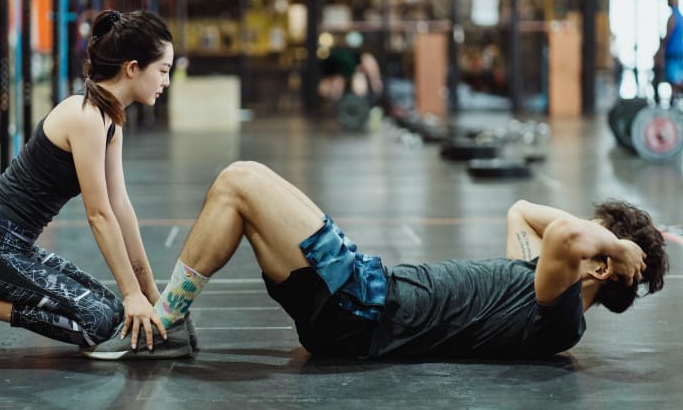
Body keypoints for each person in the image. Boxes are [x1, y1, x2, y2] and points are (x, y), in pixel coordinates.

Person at [85, 161, 668, 360]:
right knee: (239, 201)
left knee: (241, 179)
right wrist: (609, 243)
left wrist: (614, 246)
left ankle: (163, 322)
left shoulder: (561, 313)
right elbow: (522, 212)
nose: (588, 235)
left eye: (599, 243)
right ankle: (172, 321)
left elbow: (565, 234)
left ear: (596, 270)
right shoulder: (535, 280)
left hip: (366, 304)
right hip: (356, 306)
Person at [0, 9, 184, 361]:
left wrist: (148, 292)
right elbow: (99, 214)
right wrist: (132, 294)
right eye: (163, 70)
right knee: (99, 323)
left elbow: (120, 207)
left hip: (12, 249)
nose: (166, 81)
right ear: (132, 68)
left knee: (112, 314)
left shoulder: (109, 120)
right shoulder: (84, 116)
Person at [655, 0, 683, 101]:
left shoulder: (673, 18)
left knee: (673, 79)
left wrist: (661, 48)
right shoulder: (681, 17)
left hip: (672, 53)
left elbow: (668, 36)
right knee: (678, 77)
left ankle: (674, 102)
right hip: (680, 52)